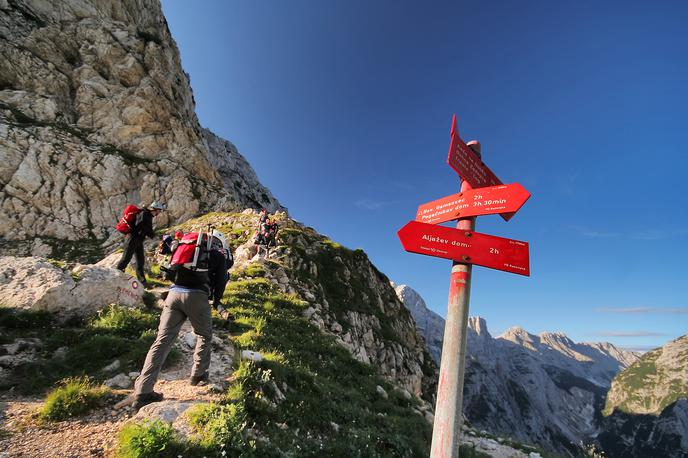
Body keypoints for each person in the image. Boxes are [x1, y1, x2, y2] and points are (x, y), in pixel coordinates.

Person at [131, 230, 229, 411]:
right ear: (218, 243)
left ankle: (143, 391)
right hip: (197, 297)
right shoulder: (216, 254)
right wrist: (216, 301)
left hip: (174, 294)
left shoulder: (184, 246)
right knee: (204, 335)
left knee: (162, 340)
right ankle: (198, 375)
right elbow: (222, 280)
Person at [116, 201, 165, 286]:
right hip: (132, 238)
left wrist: (147, 233)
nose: (159, 213)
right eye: (159, 211)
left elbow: (143, 227)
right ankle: (116, 275)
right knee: (126, 258)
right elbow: (140, 225)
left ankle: (142, 282)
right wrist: (151, 234)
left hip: (138, 240)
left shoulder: (148, 215)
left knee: (140, 261)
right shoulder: (144, 214)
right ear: (155, 209)